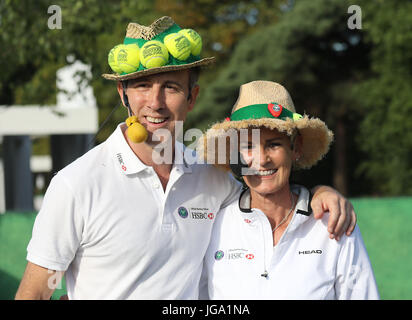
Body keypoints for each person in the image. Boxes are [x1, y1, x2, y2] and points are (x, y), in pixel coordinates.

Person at [15, 17, 356, 300]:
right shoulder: (76, 184)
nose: (155, 102)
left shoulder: (213, 178)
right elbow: (34, 294)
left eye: (171, 87)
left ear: (192, 97)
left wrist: (321, 193)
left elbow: (268, 191)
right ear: (123, 95)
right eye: (142, 86)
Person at [199, 80, 379, 299]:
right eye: (248, 147)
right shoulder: (213, 226)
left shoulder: (333, 224)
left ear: (296, 149)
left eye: (274, 144)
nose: (262, 160)